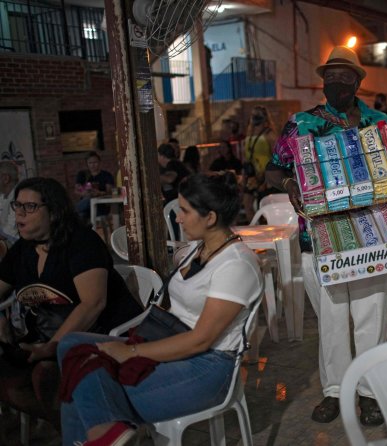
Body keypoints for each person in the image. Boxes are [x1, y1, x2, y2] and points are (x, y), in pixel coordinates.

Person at [57, 172, 263, 445]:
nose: (177, 217)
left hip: (207, 367)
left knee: (82, 390)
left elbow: (200, 340)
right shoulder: (196, 249)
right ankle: (109, 433)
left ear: (210, 218)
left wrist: (130, 352)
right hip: (170, 341)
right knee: (70, 344)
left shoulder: (236, 265)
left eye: (185, 211)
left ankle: (107, 432)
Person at [266, 46, 387, 426]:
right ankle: (336, 391)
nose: (335, 82)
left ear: (357, 82)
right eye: (329, 76)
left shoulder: (379, 122)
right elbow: (272, 170)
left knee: (372, 318)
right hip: (319, 237)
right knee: (333, 322)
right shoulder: (301, 123)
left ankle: (370, 393)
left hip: (372, 235)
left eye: (343, 76)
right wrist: (289, 182)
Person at [0, 177, 142, 428]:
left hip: (100, 337)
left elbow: (93, 303)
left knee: (47, 376)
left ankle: (89, 430)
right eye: (17, 206)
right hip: (44, 339)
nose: (20, 213)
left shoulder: (81, 242)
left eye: (29, 207)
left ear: (53, 212)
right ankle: (80, 426)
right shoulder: (23, 250)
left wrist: (52, 347)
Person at [242, 106, 277, 221]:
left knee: (265, 206)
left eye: (258, 115)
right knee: (247, 203)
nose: (255, 117)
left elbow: (276, 155)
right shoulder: (249, 134)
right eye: (253, 115)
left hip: (265, 174)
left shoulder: (269, 134)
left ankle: (269, 230)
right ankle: (254, 230)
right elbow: (246, 157)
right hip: (252, 175)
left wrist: (269, 178)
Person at [74, 151, 115, 222]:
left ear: (99, 162)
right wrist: (84, 193)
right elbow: (77, 190)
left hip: (101, 205)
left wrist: (99, 193)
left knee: (79, 213)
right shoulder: (82, 174)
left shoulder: (106, 175)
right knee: (82, 212)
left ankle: (72, 212)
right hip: (85, 206)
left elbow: (109, 192)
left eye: (95, 162)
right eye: (90, 163)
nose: (92, 165)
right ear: (87, 164)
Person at [0, 161, 19, 258]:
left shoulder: (19, 196)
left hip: (17, 246)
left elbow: (9, 231)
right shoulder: (3, 196)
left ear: (6, 179)